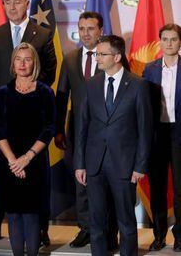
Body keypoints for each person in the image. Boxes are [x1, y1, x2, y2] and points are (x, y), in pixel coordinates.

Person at [0, 0, 56, 246]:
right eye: (7, 2)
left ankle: (41, 230)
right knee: (1, 174)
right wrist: (2, 94)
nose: (12, 7)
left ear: (26, 4)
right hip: (3, 117)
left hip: (33, 119)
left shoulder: (43, 33)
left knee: (35, 184)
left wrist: (27, 90)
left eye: (17, 2)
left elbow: (49, 71)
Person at [75, 35, 153, 256]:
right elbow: (82, 127)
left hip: (125, 166)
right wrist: (80, 164)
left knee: (126, 222)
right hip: (94, 165)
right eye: (97, 54)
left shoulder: (138, 86)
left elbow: (145, 131)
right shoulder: (90, 85)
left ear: (117, 56)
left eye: (102, 54)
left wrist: (140, 166)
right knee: (97, 221)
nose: (97, 57)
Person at [55, 11, 118, 249]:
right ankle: (86, 229)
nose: (85, 33)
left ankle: (109, 232)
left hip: (106, 131)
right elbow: (62, 96)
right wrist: (58, 130)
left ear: (101, 30)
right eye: (81, 29)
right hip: (77, 131)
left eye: (90, 29)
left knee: (107, 182)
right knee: (80, 181)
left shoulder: (112, 57)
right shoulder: (70, 58)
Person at [0, 43, 55, 256]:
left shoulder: (45, 92)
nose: (22, 63)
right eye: (18, 59)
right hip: (9, 162)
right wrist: (13, 161)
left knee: (31, 214)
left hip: (34, 161)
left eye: (27, 59)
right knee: (14, 214)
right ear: (12, 62)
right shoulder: (3, 92)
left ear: (34, 63)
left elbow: (49, 129)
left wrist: (26, 158)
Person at [143, 23, 181, 252]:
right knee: (157, 187)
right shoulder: (150, 69)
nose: (168, 43)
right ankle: (159, 235)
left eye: (173, 39)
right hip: (157, 135)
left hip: (179, 133)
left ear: (179, 42)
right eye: (165, 39)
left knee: (180, 189)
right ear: (159, 42)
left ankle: (180, 236)